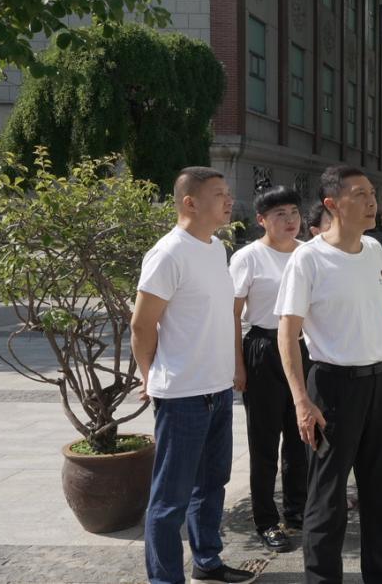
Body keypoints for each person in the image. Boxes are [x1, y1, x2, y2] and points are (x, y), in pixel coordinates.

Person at [274, 165, 382, 584]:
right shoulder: (308, 259)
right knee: (327, 499)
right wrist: (301, 401)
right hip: (332, 389)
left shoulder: (374, 250)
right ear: (332, 204)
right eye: (359, 194)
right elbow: (287, 333)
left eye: (372, 193)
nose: (371, 201)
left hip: (381, 383)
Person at [132, 166, 255, 584]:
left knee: (212, 484)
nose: (229, 200)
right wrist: (149, 375)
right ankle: (165, 579)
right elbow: (141, 324)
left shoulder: (216, 248)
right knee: (170, 498)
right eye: (219, 194)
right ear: (190, 202)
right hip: (182, 395)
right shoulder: (168, 253)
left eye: (228, 193)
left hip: (218, 390)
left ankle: (207, 560)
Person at [229, 186, 307, 552]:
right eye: (280, 214)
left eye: (294, 213)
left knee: (301, 436)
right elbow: (232, 315)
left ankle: (298, 510)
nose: (290, 221)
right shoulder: (248, 257)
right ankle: (266, 519)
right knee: (264, 442)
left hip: (303, 348)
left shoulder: (308, 253)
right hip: (263, 348)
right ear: (262, 220)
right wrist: (238, 365)